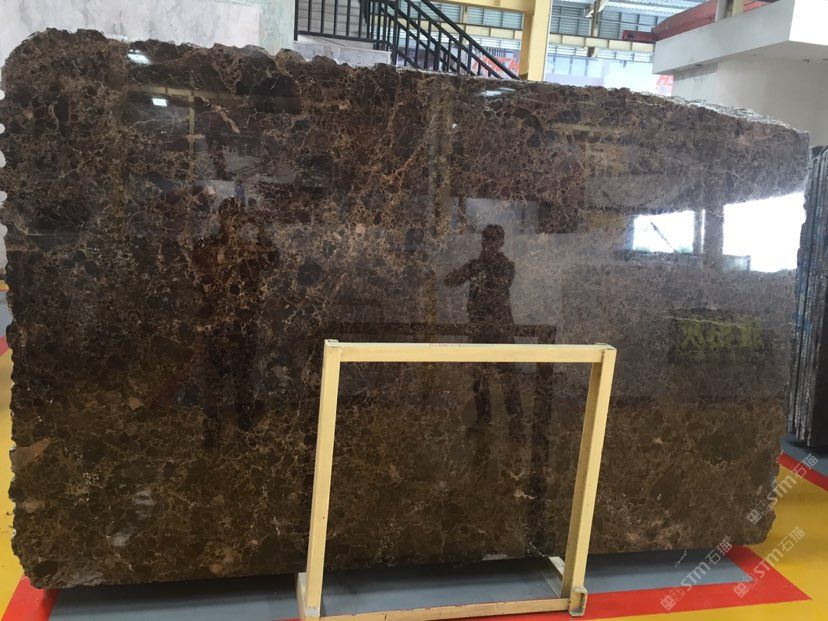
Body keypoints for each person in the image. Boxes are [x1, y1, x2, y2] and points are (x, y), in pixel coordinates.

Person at [444, 224, 524, 438]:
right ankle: (483, 420)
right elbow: (450, 281)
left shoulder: (506, 266)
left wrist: (481, 265)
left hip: (501, 330)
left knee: (508, 378)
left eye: (493, 240)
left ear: (501, 243)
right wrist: (476, 266)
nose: (489, 243)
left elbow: (499, 287)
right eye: (486, 239)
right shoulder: (476, 265)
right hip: (480, 330)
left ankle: (516, 425)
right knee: (480, 378)